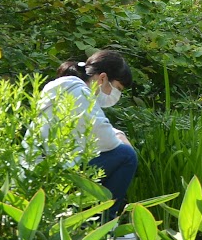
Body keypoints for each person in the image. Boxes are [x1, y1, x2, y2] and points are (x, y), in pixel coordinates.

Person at [35, 49, 137, 217]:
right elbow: (106, 140)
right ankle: (102, 226)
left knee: (120, 153)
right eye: (117, 88)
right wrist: (121, 138)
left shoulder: (67, 88)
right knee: (126, 156)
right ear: (103, 78)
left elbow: (94, 128)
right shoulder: (79, 92)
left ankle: (85, 219)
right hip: (51, 172)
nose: (115, 95)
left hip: (46, 167)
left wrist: (117, 133)